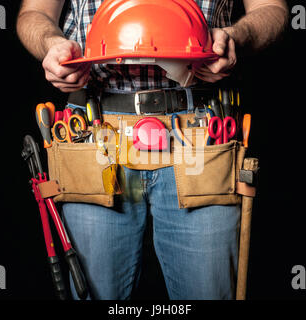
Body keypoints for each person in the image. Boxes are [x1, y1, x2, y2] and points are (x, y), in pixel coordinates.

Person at [17, 0, 288, 300]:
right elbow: (35, 14)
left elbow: (272, 8)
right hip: (94, 134)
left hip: (199, 134)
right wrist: (51, 44)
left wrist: (237, 35)